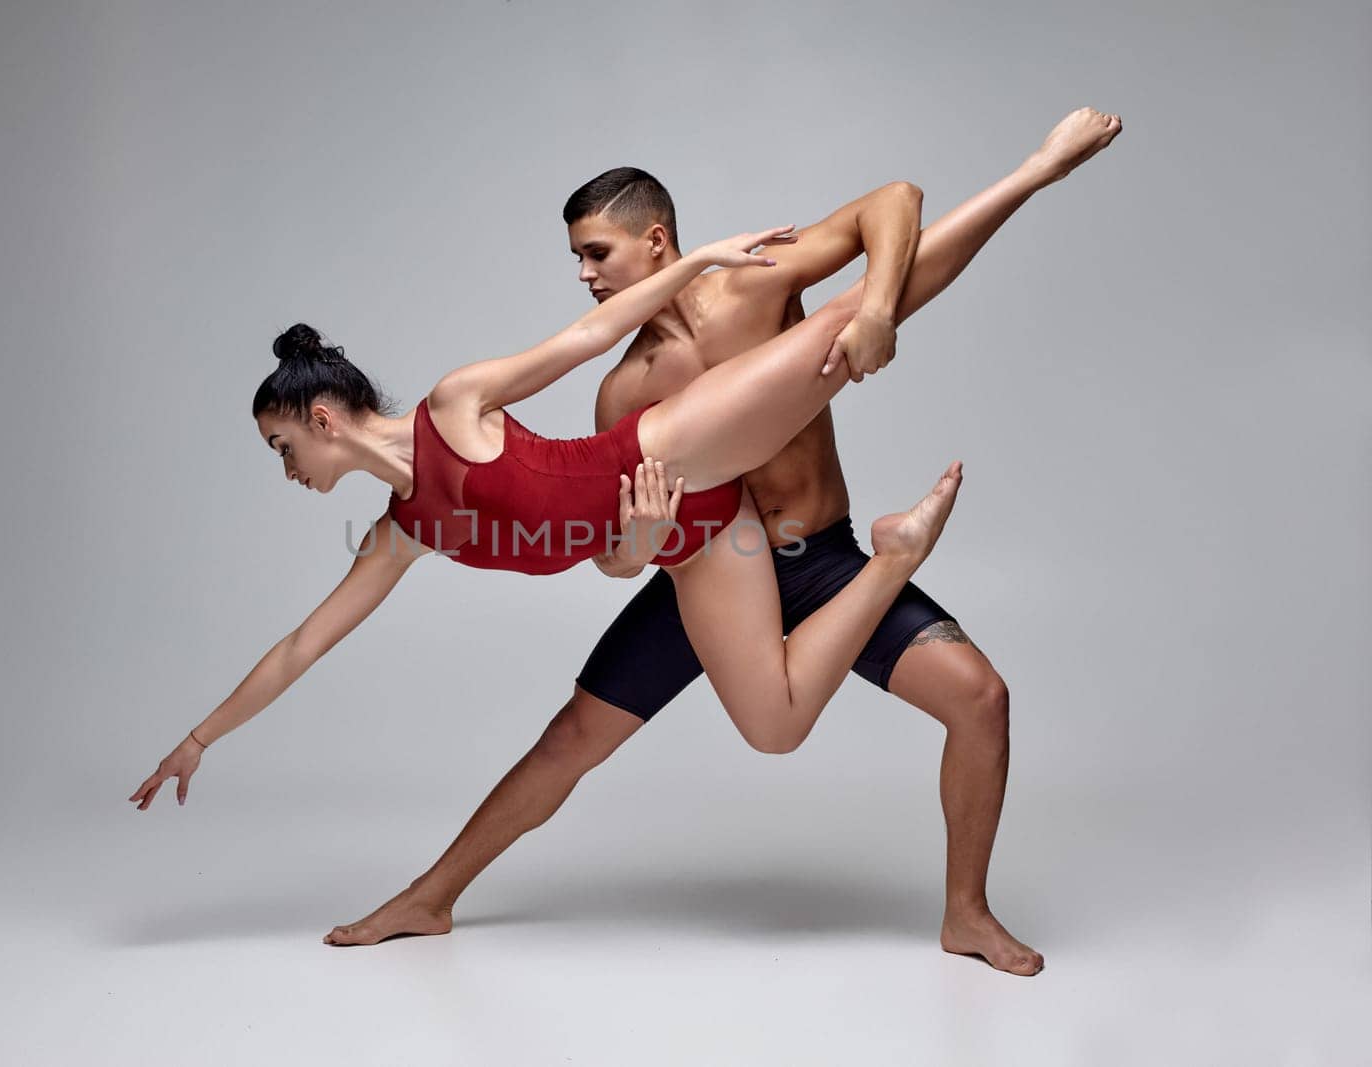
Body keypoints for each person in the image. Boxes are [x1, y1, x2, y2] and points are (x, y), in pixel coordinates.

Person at [317, 107, 1123, 976]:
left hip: (820, 561)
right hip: (707, 574)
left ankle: (966, 912)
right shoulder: (623, 391)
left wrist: (889, 302)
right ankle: (430, 895)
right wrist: (643, 542)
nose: (585, 276)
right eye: (577, 260)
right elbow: (613, 552)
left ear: (657, 242)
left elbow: (896, 209)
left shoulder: (752, 286)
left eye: (599, 254)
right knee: (570, 739)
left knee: (980, 698)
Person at [131, 198, 964, 800]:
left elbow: (587, 337)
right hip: (677, 526)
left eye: (284, 449)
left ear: (321, 419)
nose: (287, 471)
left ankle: (1035, 171)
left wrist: (700, 260)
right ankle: (895, 558)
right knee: (776, 727)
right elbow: (301, 646)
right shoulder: (402, 533)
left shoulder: (453, 404)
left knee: (858, 318)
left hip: (662, 448)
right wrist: (202, 737)